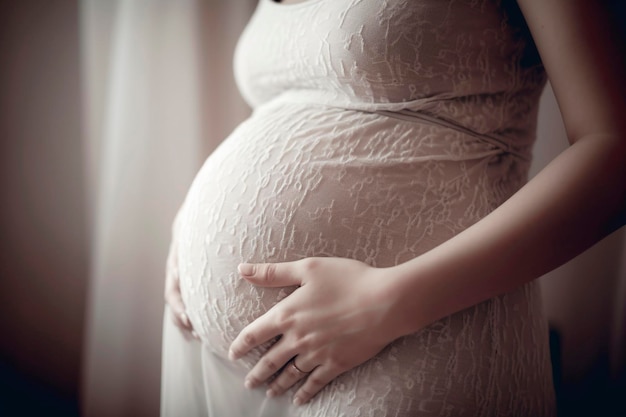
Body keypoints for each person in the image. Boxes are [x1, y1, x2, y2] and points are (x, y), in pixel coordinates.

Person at [162, 0, 626, 415]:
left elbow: (614, 151)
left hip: (413, 336)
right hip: (219, 360)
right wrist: (193, 223)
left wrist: (386, 303)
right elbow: (301, 98)